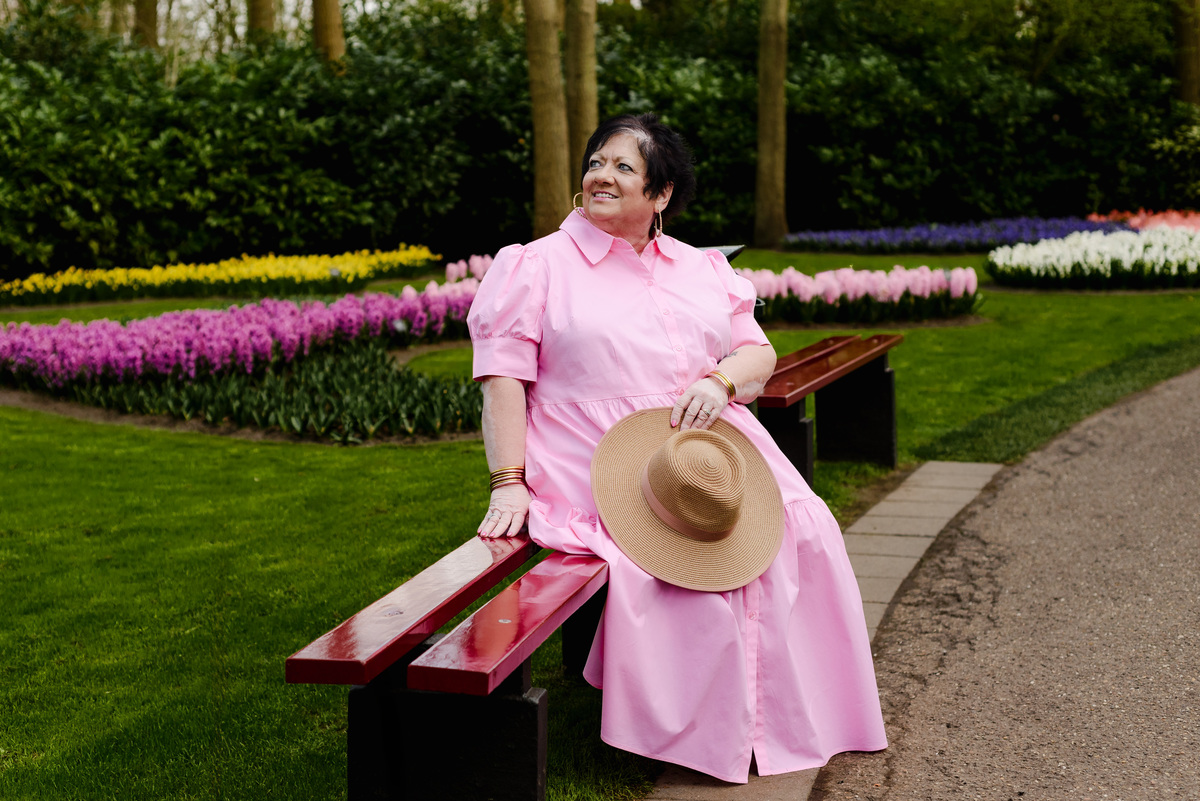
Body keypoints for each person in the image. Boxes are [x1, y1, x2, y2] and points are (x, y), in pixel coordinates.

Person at [467, 113, 886, 783]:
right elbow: (502, 379)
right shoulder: (535, 264)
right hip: (593, 450)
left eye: (624, 167)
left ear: (661, 195)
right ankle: (702, 733)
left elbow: (758, 351)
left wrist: (721, 381)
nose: (602, 174)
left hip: (705, 442)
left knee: (805, 525)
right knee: (672, 568)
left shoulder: (701, 267)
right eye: (597, 161)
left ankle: (785, 716)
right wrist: (508, 478)